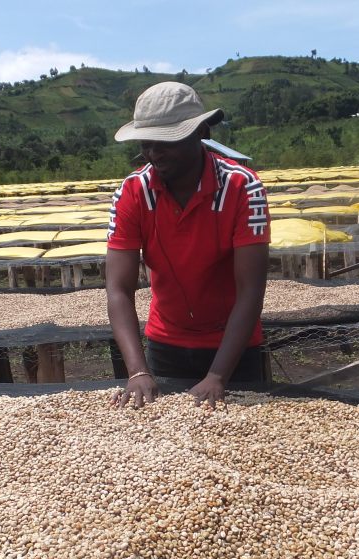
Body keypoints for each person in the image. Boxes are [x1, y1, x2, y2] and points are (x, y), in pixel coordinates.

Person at [105, 82, 271, 409]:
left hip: (233, 347)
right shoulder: (133, 192)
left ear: (201, 132)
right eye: (147, 143)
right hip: (166, 343)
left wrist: (219, 376)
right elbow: (118, 289)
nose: (154, 153)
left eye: (166, 141)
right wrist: (138, 370)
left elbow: (251, 289)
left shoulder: (242, 187)